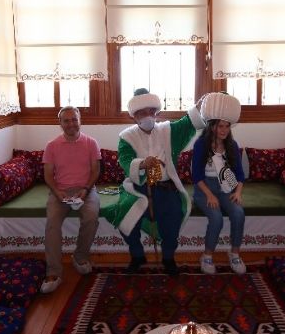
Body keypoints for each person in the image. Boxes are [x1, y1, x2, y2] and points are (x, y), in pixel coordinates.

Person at [100, 88, 207, 276]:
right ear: (134, 116)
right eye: (142, 112)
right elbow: (125, 160)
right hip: (138, 189)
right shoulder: (126, 136)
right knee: (125, 217)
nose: (148, 116)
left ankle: (168, 258)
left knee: (172, 220)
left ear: (156, 112)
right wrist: (142, 164)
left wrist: (200, 106)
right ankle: (137, 255)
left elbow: (189, 122)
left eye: (151, 111)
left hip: (166, 188)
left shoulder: (168, 130)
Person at [40, 106, 101, 294]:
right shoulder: (52, 145)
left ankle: (80, 257)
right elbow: (48, 175)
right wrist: (58, 192)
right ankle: (54, 272)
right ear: (60, 123)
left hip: (86, 190)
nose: (71, 124)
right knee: (52, 223)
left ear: (80, 120)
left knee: (91, 217)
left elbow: (95, 171)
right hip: (60, 192)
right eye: (66, 120)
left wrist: (86, 189)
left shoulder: (91, 143)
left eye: (74, 119)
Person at [191, 95, 246, 274]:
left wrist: (238, 192)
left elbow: (239, 174)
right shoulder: (201, 144)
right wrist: (209, 195)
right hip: (204, 188)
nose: (224, 130)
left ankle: (234, 254)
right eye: (220, 126)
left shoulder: (232, 145)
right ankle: (207, 256)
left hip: (226, 186)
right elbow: (196, 176)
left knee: (238, 213)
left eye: (227, 126)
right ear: (212, 126)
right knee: (217, 218)